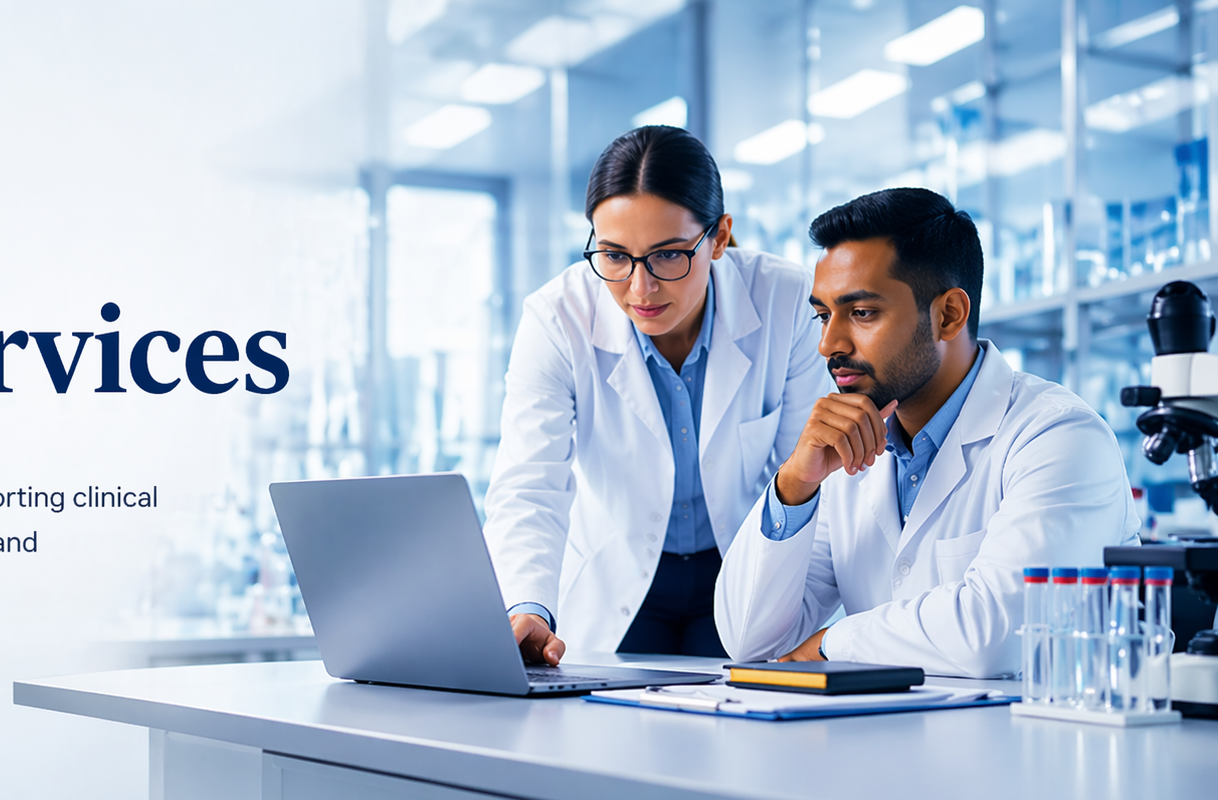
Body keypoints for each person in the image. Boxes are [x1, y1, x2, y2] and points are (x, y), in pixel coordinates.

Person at [714, 188, 1140, 677]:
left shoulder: (1058, 436)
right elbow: (749, 638)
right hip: (892, 742)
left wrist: (835, 642)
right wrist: (794, 485)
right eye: (822, 315)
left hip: (1035, 746)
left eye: (862, 313)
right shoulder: (847, 459)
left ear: (948, 315)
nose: (828, 343)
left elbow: (997, 635)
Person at [485, 126, 828, 665]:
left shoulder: (787, 302)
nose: (640, 289)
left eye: (668, 256)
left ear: (718, 238)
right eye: (615, 256)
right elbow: (530, 484)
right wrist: (527, 605)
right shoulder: (557, 317)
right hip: (618, 575)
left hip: (740, 571)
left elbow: (804, 474)